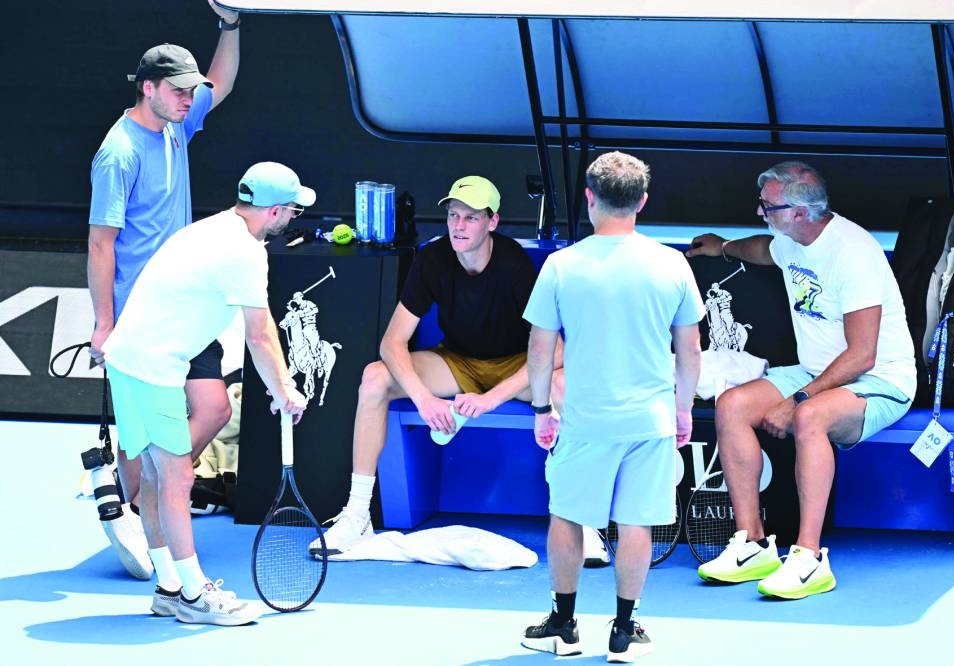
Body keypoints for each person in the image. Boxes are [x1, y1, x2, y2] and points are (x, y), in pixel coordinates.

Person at [686, 161, 916, 600]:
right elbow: (760, 249)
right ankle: (752, 544)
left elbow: (862, 354)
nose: (761, 213)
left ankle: (809, 558)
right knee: (732, 405)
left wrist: (799, 398)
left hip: (879, 379)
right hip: (815, 372)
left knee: (809, 417)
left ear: (798, 211)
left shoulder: (852, 252)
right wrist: (723, 247)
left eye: (767, 206)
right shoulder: (791, 239)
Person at [99, 161, 313, 624]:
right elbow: (260, 334)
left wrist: (277, 386)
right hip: (153, 369)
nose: (291, 219)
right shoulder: (246, 252)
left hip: (124, 360)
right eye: (292, 212)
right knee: (176, 481)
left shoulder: (209, 228)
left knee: (156, 480)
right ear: (273, 211)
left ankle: (168, 589)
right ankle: (195, 597)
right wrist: (285, 391)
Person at [309, 175, 565, 556]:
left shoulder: (514, 265)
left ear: (492, 222)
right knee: (374, 378)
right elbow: (391, 343)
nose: (459, 226)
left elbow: (555, 351)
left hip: (515, 365)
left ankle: (578, 518)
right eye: (453, 216)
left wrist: (490, 398)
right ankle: (357, 515)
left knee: (562, 385)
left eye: (471, 217)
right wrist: (424, 399)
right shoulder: (433, 259)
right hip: (457, 362)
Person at [521, 152, 703, 662]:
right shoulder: (672, 263)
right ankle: (625, 631)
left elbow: (540, 348)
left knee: (566, 516)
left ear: (589, 197)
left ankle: (563, 625)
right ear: (642, 201)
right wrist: (682, 409)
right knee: (637, 524)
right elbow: (689, 350)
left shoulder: (561, 266)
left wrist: (541, 409)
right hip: (651, 421)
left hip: (586, 421)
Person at [87, 0, 241, 580]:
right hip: (139, 316)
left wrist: (230, 24)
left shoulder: (177, 123)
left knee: (212, 407)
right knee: (143, 431)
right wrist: (104, 322)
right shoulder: (118, 153)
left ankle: (148, 496)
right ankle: (136, 507)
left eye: (187, 91)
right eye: (177, 90)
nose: (187, 98)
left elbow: (219, 84)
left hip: (189, 305)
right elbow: (102, 245)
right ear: (147, 88)